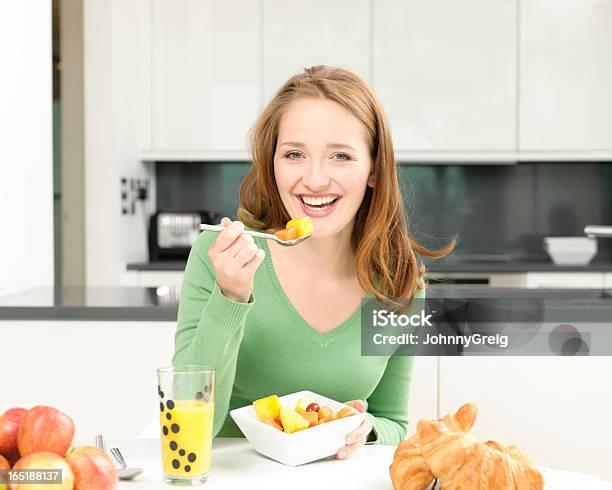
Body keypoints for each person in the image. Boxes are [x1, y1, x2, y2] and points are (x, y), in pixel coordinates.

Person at [173, 65, 453, 459]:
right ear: (272, 163)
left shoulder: (398, 281)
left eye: (340, 155)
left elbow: (393, 422)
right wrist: (230, 297)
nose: (316, 179)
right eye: (294, 154)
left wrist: (366, 428)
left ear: (373, 169)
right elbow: (188, 427)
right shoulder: (217, 257)